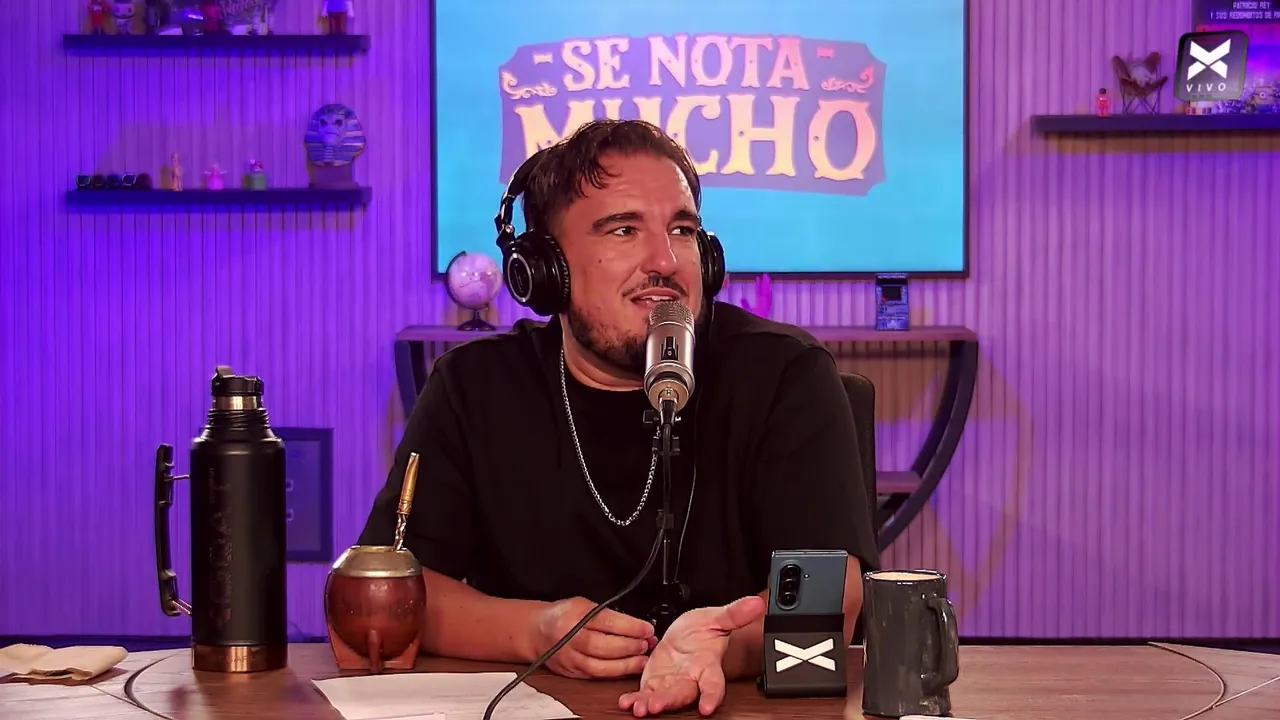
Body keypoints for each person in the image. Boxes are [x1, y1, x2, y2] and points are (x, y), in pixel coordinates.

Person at [358, 119, 880, 717]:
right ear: (545, 269)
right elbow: (385, 593)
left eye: (682, 230)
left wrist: (723, 649)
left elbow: (831, 595)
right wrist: (535, 631)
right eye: (624, 230)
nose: (666, 260)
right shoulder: (472, 388)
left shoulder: (784, 374)